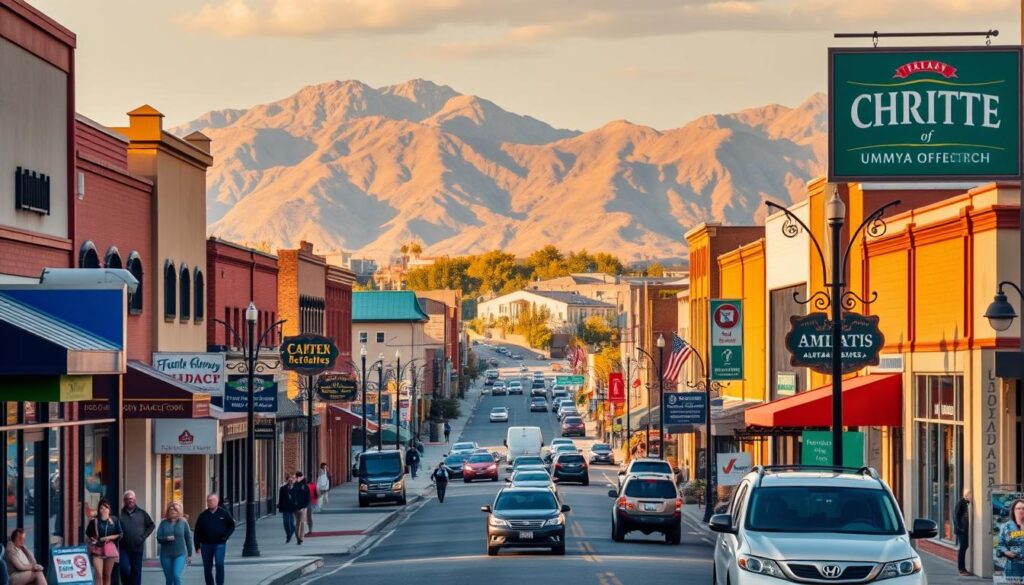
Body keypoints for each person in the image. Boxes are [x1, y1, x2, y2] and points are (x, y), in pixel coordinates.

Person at [193, 493, 235, 585]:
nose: (210, 503)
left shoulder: (223, 513)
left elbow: (231, 525)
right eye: (209, 501)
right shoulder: (203, 516)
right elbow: (197, 531)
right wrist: (197, 546)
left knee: (219, 564)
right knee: (207, 567)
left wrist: (226, 536)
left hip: (219, 544)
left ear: (217, 501)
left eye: (212, 501)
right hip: (206, 545)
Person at [119, 490, 155, 585]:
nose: (130, 501)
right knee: (124, 568)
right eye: (127, 499)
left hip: (137, 547)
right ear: (124, 501)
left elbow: (151, 525)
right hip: (123, 548)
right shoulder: (119, 514)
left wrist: (143, 537)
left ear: (135, 500)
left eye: (132, 499)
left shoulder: (142, 513)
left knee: (136, 572)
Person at [85, 498, 121, 585]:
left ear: (109, 509)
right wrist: (92, 539)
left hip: (110, 550)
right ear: (99, 510)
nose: (104, 510)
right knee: (99, 575)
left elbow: (120, 534)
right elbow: (88, 534)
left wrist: (106, 538)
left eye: (106, 507)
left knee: (107, 575)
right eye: (102, 508)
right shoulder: (94, 521)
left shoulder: (114, 520)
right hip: (97, 550)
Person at [156, 502, 193, 585]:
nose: (173, 511)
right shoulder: (163, 523)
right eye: (171, 510)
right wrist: (166, 538)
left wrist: (190, 554)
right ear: (168, 511)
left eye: (175, 510)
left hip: (180, 554)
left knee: (176, 575)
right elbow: (158, 538)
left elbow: (188, 538)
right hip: (166, 555)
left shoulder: (183, 522)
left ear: (179, 511)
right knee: (169, 579)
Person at [999, 498, 1024, 579]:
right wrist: (1006, 552)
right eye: (1018, 508)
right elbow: (1001, 544)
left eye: (1023, 508)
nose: (1021, 510)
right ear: (1013, 510)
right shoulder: (1006, 526)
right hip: (1014, 565)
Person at [954, 490, 971, 576]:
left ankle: (963, 569)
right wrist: (960, 528)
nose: (972, 497)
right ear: (967, 495)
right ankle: (961, 569)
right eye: (971, 495)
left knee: (965, 546)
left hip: (964, 530)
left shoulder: (966, 503)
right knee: (963, 548)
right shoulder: (961, 502)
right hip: (961, 530)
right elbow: (956, 516)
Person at [277, 474, 297, 543]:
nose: (290, 481)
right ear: (287, 480)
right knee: (285, 522)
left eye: (291, 479)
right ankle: (289, 533)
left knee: (291, 522)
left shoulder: (295, 488)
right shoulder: (282, 489)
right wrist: (280, 507)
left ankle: (290, 534)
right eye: (289, 480)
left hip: (292, 508)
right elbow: (280, 499)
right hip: (285, 508)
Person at [292, 471, 310, 545]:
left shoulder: (294, 486)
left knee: (298, 523)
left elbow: (292, 497)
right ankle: (301, 538)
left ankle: (298, 538)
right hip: (303, 508)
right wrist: (304, 506)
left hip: (296, 508)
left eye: (296, 477)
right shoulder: (305, 486)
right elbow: (308, 497)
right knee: (302, 522)